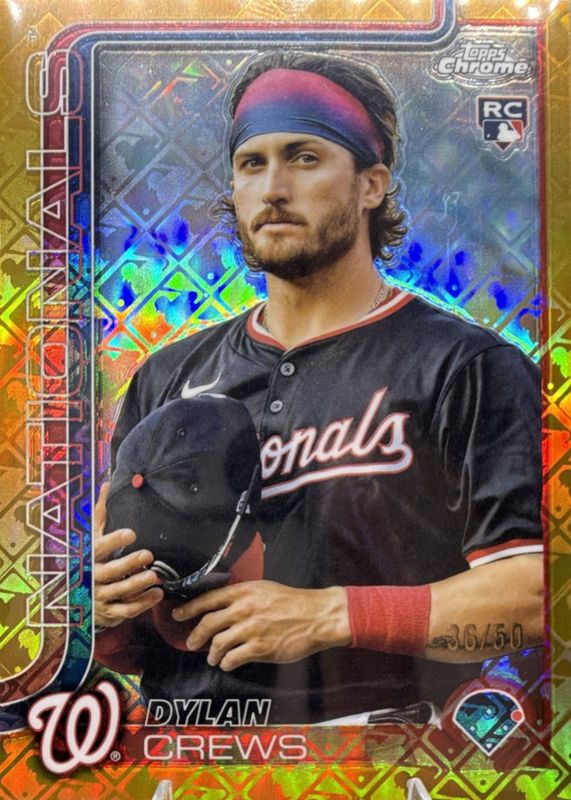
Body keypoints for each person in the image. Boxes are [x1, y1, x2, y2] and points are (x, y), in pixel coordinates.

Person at [94, 50, 543, 724]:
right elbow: (140, 643)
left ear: (371, 185)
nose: (273, 187)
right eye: (252, 163)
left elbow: (535, 598)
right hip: (183, 752)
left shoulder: (465, 366)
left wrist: (332, 615)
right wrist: (99, 612)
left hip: (382, 752)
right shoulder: (166, 376)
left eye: (304, 157)